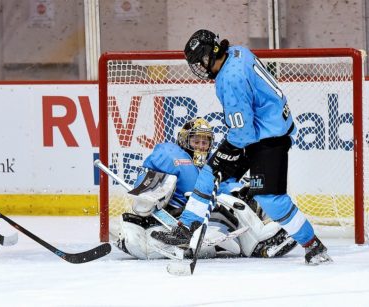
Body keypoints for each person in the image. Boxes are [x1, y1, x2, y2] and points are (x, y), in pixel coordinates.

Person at [150, 29, 332, 265]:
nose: (200, 68)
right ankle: (186, 228)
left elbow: (242, 133)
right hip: (261, 127)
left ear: (210, 55)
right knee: (209, 172)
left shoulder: (230, 79)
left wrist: (228, 153)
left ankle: (313, 245)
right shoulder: (237, 52)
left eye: (200, 61)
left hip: (268, 138)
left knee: (270, 199)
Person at [116, 118, 296, 259]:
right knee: (232, 205)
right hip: (180, 216)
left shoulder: (210, 166)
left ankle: (275, 224)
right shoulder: (171, 153)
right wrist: (148, 199)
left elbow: (223, 186)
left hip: (204, 217)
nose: (201, 146)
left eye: (205, 142)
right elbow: (149, 178)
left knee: (249, 193)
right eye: (196, 141)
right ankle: (259, 244)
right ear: (184, 140)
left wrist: (240, 190)